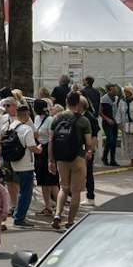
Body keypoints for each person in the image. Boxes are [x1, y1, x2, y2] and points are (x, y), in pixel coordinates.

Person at [51, 94, 98, 229]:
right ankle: (70, 221)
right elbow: (88, 142)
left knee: (63, 188)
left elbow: (51, 141)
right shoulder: (83, 120)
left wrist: (51, 160)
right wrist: (89, 151)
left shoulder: (57, 118)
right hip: (78, 157)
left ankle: (58, 214)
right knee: (76, 191)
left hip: (61, 158)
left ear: (66, 101)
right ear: (79, 104)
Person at [0, 103, 39, 228]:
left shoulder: (12, 126)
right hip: (26, 164)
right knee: (25, 192)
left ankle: (17, 213)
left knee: (19, 190)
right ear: (26, 115)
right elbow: (32, 147)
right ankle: (19, 218)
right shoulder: (26, 129)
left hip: (14, 162)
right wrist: (39, 150)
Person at [99, 84, 123, 167]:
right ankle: (104, 157)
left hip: (115, 121)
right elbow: (100, 111)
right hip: (107, 122)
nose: (115, 92)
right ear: (108, 91)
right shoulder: (104, 99)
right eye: (113, 91)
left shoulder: (116, 99)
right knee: (110, 140)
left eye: (116, 91)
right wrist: (107, 119)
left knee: (114, 142)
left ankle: (113, 159)